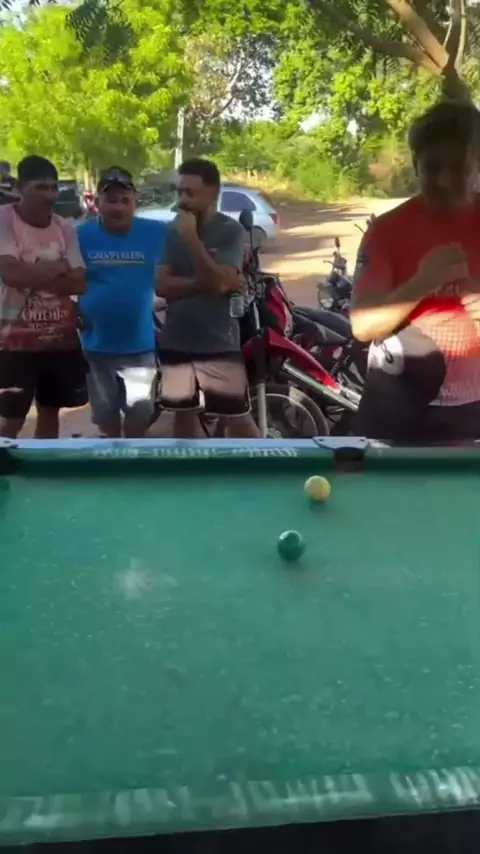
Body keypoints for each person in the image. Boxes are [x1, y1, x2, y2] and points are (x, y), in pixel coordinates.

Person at [351, 101, 480, 444]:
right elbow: (363, 327)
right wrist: (423, 282)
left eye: (458, 167)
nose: (444, 180)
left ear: (477, 163)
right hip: (395, 403)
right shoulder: (387, 230)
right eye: (432, 167)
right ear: (415, 164)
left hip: (470, 407)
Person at [157, 157, 260, 438]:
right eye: (180, 192)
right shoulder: (172, 230)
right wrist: (209, 282)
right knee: (182, 417)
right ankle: (189, 469)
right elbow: (161, 286)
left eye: (191, 193)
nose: (183, 200)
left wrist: (192, 239)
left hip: (218, 343)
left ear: (213, 194)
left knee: (238, 420)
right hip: (177, 341)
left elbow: (219, 285)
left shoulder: (230, 231)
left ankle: (263, 466)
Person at [0, 155, 87, 439]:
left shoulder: (64, 228)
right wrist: (60, 266)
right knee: (11, 420)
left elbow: (79, 283)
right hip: (13, 341)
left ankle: (44, 466)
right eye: (40, 187)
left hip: (59, 339)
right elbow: (12, 275)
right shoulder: (5, 220)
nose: (49, 195)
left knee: (51, 413)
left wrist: (33, 272)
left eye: (53, 187)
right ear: (19, 187)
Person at [77, 167, 166, 438]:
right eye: (111, 200)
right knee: (105, 415)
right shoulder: (80, 235)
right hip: (95, 344)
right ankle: (113, 451)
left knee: (140, 411)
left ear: (135, 201)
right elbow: (64, 277)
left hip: (139, 344)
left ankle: (132, 452)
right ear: (97, 202)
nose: (118, 207)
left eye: (125, 200)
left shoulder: (158, 232)